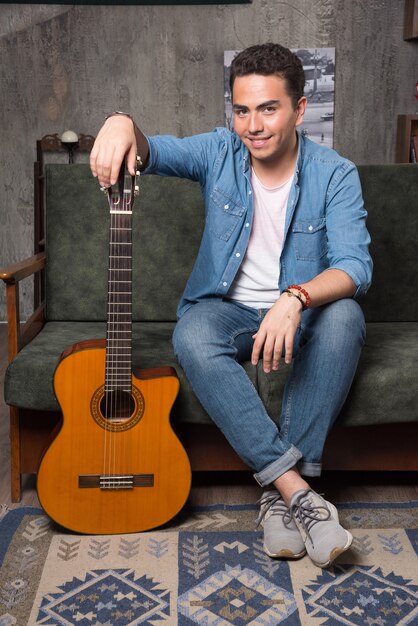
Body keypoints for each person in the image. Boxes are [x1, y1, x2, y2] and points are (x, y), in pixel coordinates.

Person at [90, 43, 372, 568]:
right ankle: (297, 491)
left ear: (300, 109)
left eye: (269, 108)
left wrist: (295, 297)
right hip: (229, 312)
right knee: (192, 334)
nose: (254, 125)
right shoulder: (219, 152)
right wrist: (121, 121)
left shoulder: (336, 174)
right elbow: (152, 153)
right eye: (242, 110)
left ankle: (278, 500)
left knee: (347, 316)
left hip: (300, 316)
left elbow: (356, 267)